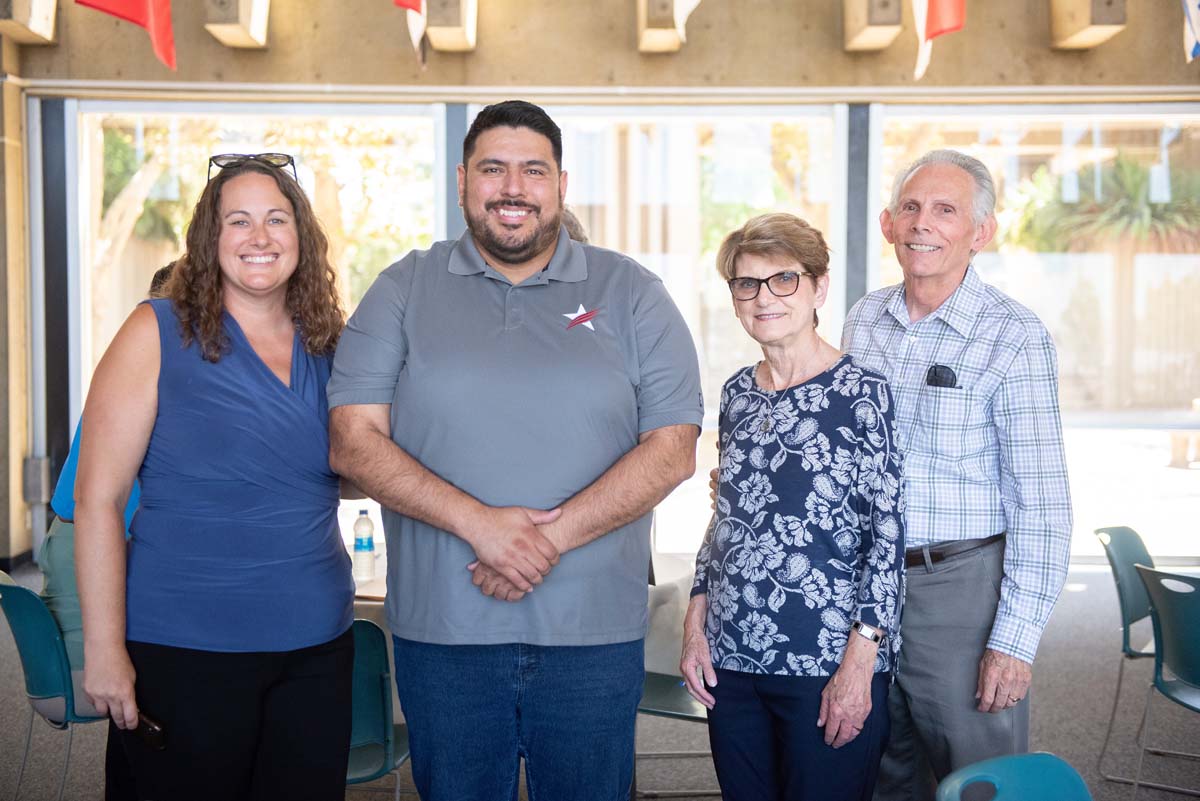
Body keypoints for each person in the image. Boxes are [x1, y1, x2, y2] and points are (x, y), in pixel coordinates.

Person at [327, 100, 703, 801]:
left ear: (560, 182)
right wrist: (482, 526)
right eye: (493, 168)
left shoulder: (632, 292)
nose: (512, 187)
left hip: (593, 635)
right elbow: (353, 440)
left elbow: (673, 448)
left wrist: (543, 540)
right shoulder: (402, 288)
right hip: (444, 635)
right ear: (464, 178)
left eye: (532, 170)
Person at [75, 153, 355, 801]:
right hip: (183, 646)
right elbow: (97, 499)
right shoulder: (156, 331)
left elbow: (350, 468)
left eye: (276, 219)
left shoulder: (329, 344)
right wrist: (104, 648)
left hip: (315, 647)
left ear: (302, 238)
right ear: (211, 239)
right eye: (239, 220)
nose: (260, 237)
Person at [841, 150, 1072, 800]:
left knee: (977, 782)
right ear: (887, 223)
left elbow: (1042, 506)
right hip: (867, 588)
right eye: (911, 208)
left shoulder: (1014, 337)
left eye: (946, 210)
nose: (924, 224)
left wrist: (1015, 641)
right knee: (881, 772)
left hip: (962, 590)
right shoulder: (863, 321)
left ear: (981, 232)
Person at [681, 213, 905, 801]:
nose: (763, 298)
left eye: (783, 280)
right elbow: (726, 515)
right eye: (747, 284)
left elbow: (887, 539)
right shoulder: (736, 394)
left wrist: (861, 662)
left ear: (819, 288)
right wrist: (696, 616)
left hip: (825, 658)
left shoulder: (864, 392)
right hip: (732, 657)